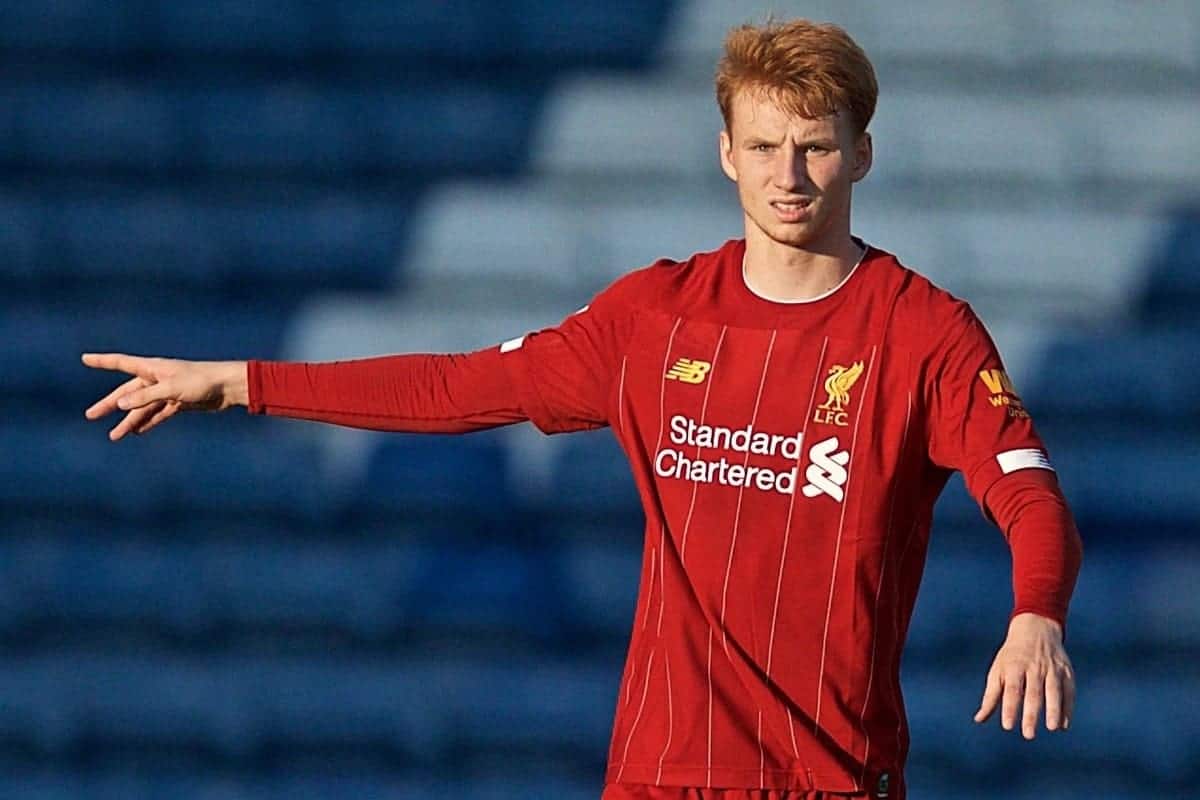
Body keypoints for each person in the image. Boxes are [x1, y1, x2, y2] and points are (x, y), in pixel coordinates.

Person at [82, 19, 1082, 800]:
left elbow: (1030, 495)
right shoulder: (655, 316)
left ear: (861, 154)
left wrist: (1035, 611)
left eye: (814, 146)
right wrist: (241, 379)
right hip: (658, 773)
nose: (789, 174)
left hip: (826, 777)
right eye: (765, 144)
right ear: (726, 152)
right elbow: (460, 386)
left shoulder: (923, 334)